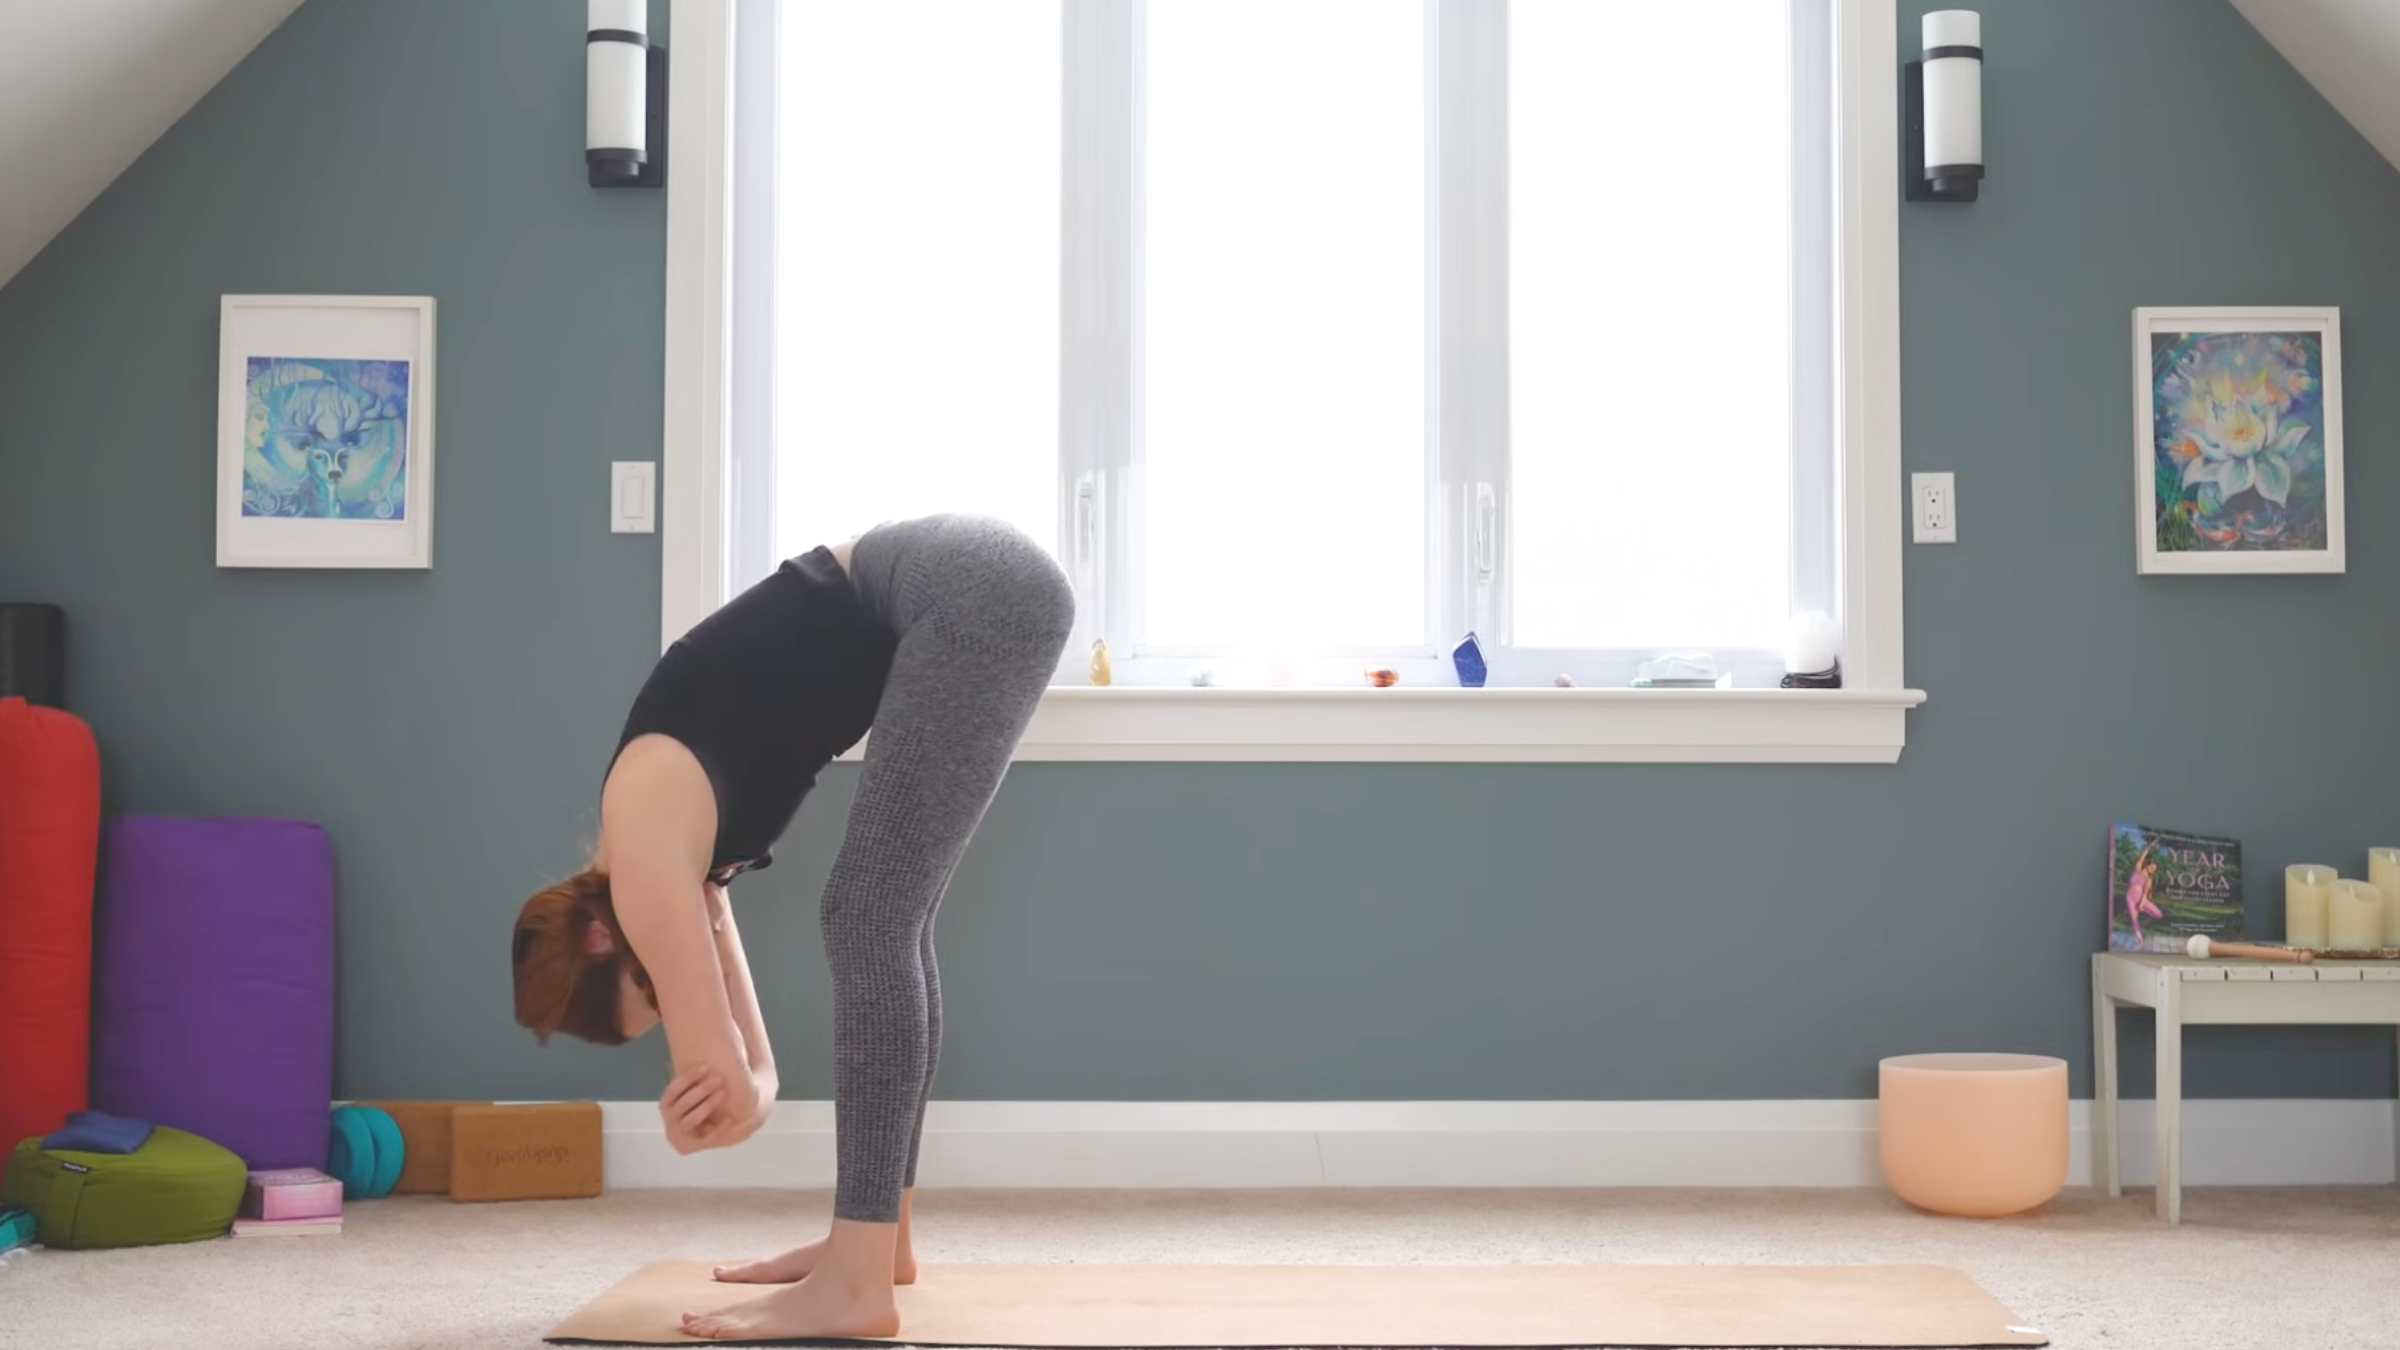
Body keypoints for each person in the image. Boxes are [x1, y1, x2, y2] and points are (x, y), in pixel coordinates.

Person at [509, 514, 1074, 1340]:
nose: (673, 993)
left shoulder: (647, 865)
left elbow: (736, 1089)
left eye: (652, 991)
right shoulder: (677, 851)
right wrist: (733, 1098)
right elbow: (757, 1076)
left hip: (966, 588)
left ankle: (855, 1282)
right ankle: (882, 1245)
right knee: (888, 923)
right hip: (977, 583)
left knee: (868, 918)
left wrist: (708, 1115)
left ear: (604, 939)